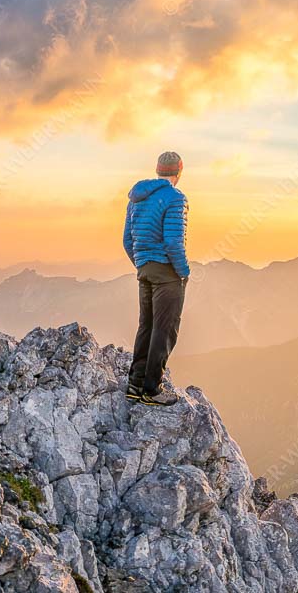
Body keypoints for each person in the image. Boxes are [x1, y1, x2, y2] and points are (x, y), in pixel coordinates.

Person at [122, 151, 190, 406]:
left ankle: (135, 384)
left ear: (158, 170)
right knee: (165, 329)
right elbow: (174, 241)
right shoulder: (175, 198)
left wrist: (142, 264)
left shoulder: (137, 198)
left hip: (145, 269)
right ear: (179, 172)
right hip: (167, 272)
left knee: (146, 326)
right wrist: (183, 272)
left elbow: (127, 240)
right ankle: (152, 389)